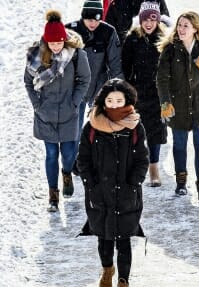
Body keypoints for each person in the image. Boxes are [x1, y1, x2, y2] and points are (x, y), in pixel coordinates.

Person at [77, 79, 149, 287]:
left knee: (125, 243)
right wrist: (91, 185)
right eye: (110, 100)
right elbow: (83, 160)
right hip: (100, 195)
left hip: (127, 195)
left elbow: (142, 159)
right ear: (103, 101)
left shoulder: (135, 127)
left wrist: (133, 183)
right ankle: (107, 268)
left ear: (127, 101)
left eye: (119, 100)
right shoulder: (92, 127)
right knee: (105, 241)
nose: (115, 105)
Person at [24, 10, 90, 212]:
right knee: (51, 154)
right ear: (46, 41)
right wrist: (38, 105)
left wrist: (74, 102)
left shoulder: (77, 54)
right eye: (51, 43)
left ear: (64, 40)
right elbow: (28, 82)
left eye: (58, 43)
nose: (55, 46)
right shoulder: (36, 55)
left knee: (69, 154)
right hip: (46, 114)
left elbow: (84, 80)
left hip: (69, 113)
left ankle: (67, 172)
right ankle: (53, 194)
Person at [156, 11, 199, 202]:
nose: (181, 29)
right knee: (179, 145)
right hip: (178, 106)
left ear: (195, 28)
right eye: (179, 25)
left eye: (186, 25)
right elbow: (162, 79)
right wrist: (165, 102)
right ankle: (181, 183)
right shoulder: (170, 49)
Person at [65, 0, 123, 164]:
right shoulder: (70, 30)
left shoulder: (108, 32)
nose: (92, 23)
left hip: (99, 84)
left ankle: (100, 160)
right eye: (89, 19)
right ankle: (73, 163)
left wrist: (119, 90)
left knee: (102, 126)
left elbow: (115, 63)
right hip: (75, 88)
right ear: (83, 17)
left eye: (96, 19)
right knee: (74, 130)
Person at [122, 2, 167, 187]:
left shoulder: (164, 39)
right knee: (136, 131)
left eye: (153, 19)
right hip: (138, 91)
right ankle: (136, 166)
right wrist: (131, 85)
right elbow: (125, 64)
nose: (149, 23)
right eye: (145, 19)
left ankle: (154, 168)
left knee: (155, 131)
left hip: (157, 92)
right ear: (140, 20)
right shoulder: (132, 38)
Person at [105, 0, 170, 44]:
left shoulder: (157, 1)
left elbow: (165, 26)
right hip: (124, 52)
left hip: (153, 51)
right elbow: (109, 33)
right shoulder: (118, 3)